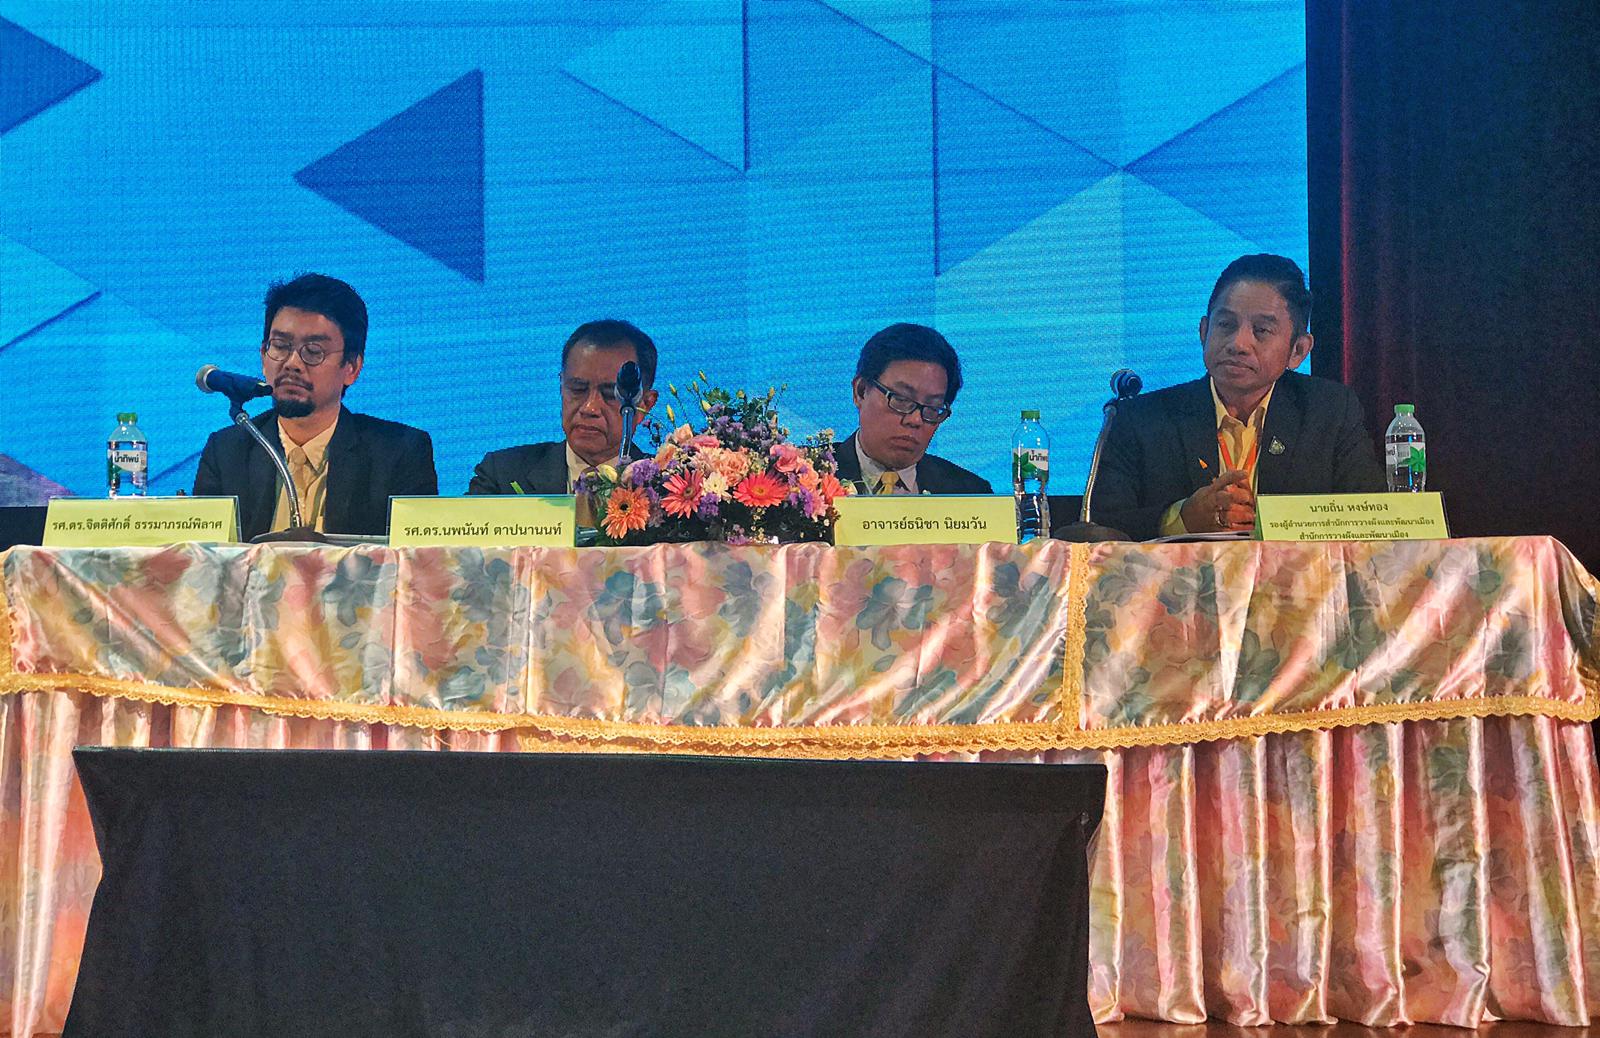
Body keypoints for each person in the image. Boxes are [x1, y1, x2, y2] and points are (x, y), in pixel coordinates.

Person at [1090, 254, 1384, 541]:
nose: (1238, 343)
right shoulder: (1141, 420)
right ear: (1204, 331)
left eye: (1261, 330)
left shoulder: (1329, 411)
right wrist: (1180, 520)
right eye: (1226, 325)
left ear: (1298, 351)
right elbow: (1098, 531)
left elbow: (1372, 517)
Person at [194, 273, 437, 540]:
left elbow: (417, 567)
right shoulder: (227, 451)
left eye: (313, 351)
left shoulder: (399, 453)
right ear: (264, 356)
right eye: (280, 346)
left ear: (352, 368)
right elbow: (205, 562)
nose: (292, 363)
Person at [468, 320, 659, 495]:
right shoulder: (501, 476)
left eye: (610, 394)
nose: (589, 408)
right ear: (562, 386)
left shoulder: (667, 486)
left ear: (644, 404)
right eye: (577, 389)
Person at [834, 323, 992, 495]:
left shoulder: (969, 493)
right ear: (861, 391)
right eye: (901, 399)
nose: (915, 420)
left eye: (932, 408)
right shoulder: (805, 479)